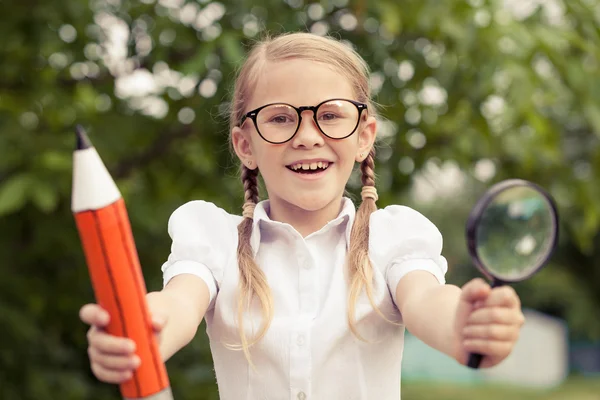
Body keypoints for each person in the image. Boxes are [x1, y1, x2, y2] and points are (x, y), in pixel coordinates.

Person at [79, 32, 525, 399]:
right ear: (245, 145)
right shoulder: (213, 238)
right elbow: (177, 304)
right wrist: (139, 329)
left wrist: (468, 325)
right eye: (279, 118)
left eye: (330, 115)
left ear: (364, 136)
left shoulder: (394, 239)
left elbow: (429, 302)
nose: (308, 137)